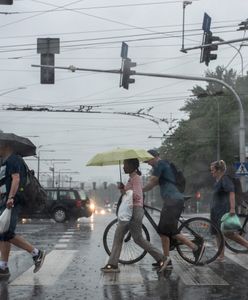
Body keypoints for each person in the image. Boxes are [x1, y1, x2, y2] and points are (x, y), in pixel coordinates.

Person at [101, 158, 168, 273]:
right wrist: (123, 189)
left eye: (125, 165)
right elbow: (128, 194)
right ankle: (162, 258)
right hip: (133, 210)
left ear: (132, 166)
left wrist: (128, 193)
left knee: (120, 236)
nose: (123, 167)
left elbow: (137, 195)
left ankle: (112, 265)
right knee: (137, 238)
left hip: (133, 211)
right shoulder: (131, 178)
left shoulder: (136, 178)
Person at [143, 149, 205, 269]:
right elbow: (153, 184)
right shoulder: (164, 165)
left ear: (154, 157)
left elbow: (152, 181)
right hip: (171, 201)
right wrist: (144, 189)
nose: (148, 163)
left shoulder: (160, 164)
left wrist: (139, 190)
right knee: (163, 231)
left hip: (173, 201)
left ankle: (196, 248)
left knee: (169, 230)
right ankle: (166, 260)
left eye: (148, 160)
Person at [0, 142, 46, 278]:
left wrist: (11, 197)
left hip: (12, 201)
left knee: (7, 233)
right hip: (6, 200)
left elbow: (16, 179)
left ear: (7, 146)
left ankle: (36, 253)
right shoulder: (5, 161)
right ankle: (3, 266)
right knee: (3, 233)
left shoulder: (14, 159)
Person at [210, 160, 248, 260]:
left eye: (213, 170)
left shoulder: (225, 179)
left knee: (229, 233)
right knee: (218, 233)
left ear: (218, 170)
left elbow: (231, 192)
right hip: (216, 210)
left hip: (224, 210)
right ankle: (221, 255)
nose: (211, 172)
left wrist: (232, 208)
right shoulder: (218, 180)